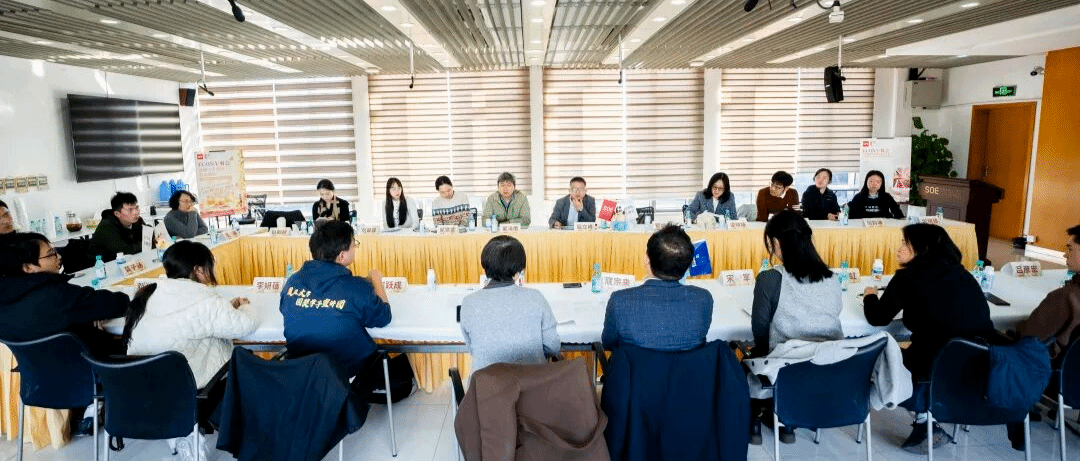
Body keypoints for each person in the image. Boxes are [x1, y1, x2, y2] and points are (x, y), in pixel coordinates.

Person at [863, 223, 993, 452]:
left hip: (931, 366)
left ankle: (914, 416)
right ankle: (927, 419)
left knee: (874, 353)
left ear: (921, 249)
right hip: (977, 367)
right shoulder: (962, 274)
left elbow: (878, 318)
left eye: (905, 243)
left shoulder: (908, 277)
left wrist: (870, 296)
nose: (899, 248)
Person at [123, 240, 256, 461]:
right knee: (241, 359)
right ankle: (196, 425)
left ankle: (180, 429)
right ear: (198, 270)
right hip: (186, 387)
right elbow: (246, 326)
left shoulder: (150, 292)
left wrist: (225, 309)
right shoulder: (205, 299)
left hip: (141, 385)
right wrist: (245, 306)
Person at [0, 232, 130, 436]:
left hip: (36, 382)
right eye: (51, 253)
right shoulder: (57, 295)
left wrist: (83, 316)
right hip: (88, 373)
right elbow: (119, 303)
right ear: (28, 267)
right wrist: (88, 315)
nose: (58, 257)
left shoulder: (5, 301)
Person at [747, 210, 843, 444]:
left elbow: (759, 330)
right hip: (827, 367)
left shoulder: (770, 279)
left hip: (784, 368)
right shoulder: (832, 278)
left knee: (745, 355)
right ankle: (787, 424)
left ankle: (755, 418)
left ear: (776, 243)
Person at [279, 220, 391, 391]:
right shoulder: (356, 287)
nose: (355, 248)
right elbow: (384, 316)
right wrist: (376, 281)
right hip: (347, 373)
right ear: (342, 256)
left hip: (302, 373)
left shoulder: (292, 282)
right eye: (354, 245)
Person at [602, 224, 712, 351]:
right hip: (688, 365)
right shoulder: (703, 299)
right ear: (688, 265)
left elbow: (609, 344)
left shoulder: (620, 300)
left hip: (636, 364)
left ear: (646, 259)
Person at [460, 236, 560, 371]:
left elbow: (474, 349)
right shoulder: (536, 298)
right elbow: (552, 347)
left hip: (487, 383)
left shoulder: (468, 303)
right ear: (518, 270)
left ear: (484, 267)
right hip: (532, 381)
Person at [1019, 224, 1080, 360]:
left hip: (1044, 365)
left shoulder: (1064, 297)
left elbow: (1029, 337)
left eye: (1070, 249)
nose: (1065, 254)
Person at [89, 191, 149, 262]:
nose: (136, 212)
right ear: (117, 214)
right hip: (103, 265)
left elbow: (149, 235)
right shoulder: (106, 227)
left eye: (137, 207)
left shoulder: (137, 221)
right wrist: (147, 243)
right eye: (130, 210)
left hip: (129, 261)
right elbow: (124, 251)